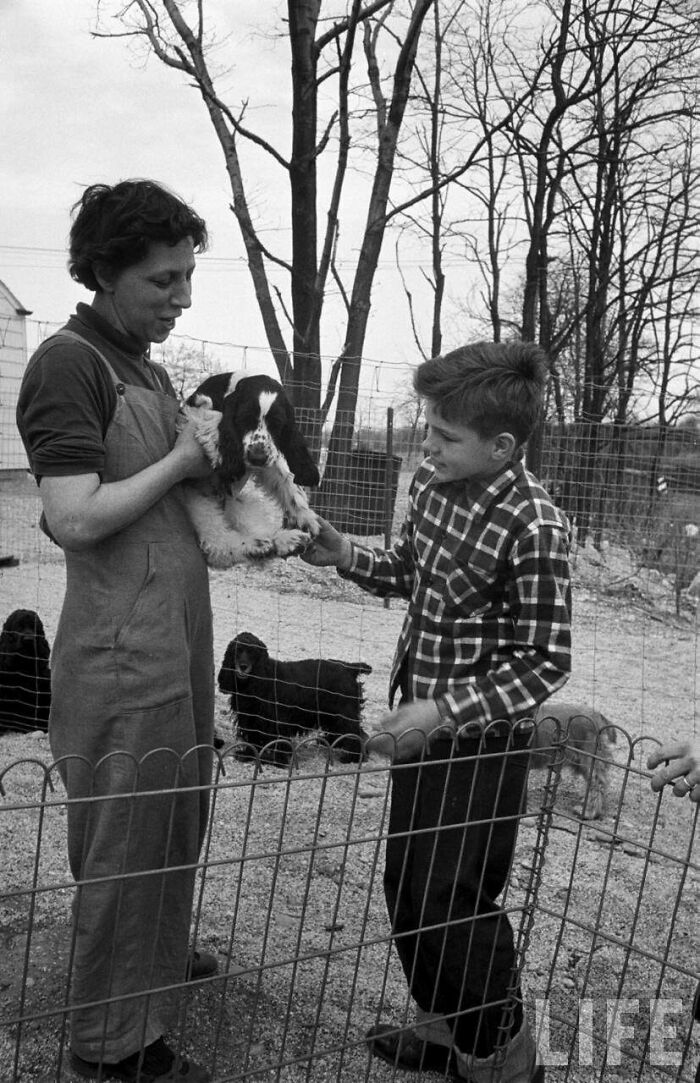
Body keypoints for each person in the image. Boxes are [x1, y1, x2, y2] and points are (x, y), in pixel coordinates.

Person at [302, 342, 572, 1083]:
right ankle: (446, 1028)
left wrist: (446, 710)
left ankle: (502, 1059)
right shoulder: (428, 484)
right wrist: (344, 553)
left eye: (445, 435)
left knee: (455, 901)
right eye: (430, 428)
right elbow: (410, 573)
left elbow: (546, 660)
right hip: (420, 724)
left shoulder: (535, 526)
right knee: (407, 889)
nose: (428, 444)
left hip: (479, 746)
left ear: (503, 445)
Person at [16, 180, 216, 1083]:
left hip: (175, 631)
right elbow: (76, 518)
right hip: (118, 644)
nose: (180, 297)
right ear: (106, 269)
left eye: (185, 278)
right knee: (126, 838)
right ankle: (114, 1043)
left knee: (176, 816)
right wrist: (180, 456)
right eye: (163, 280)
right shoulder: (69, 361)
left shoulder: (147, 366)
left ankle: (153, 962)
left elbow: (175, 504)